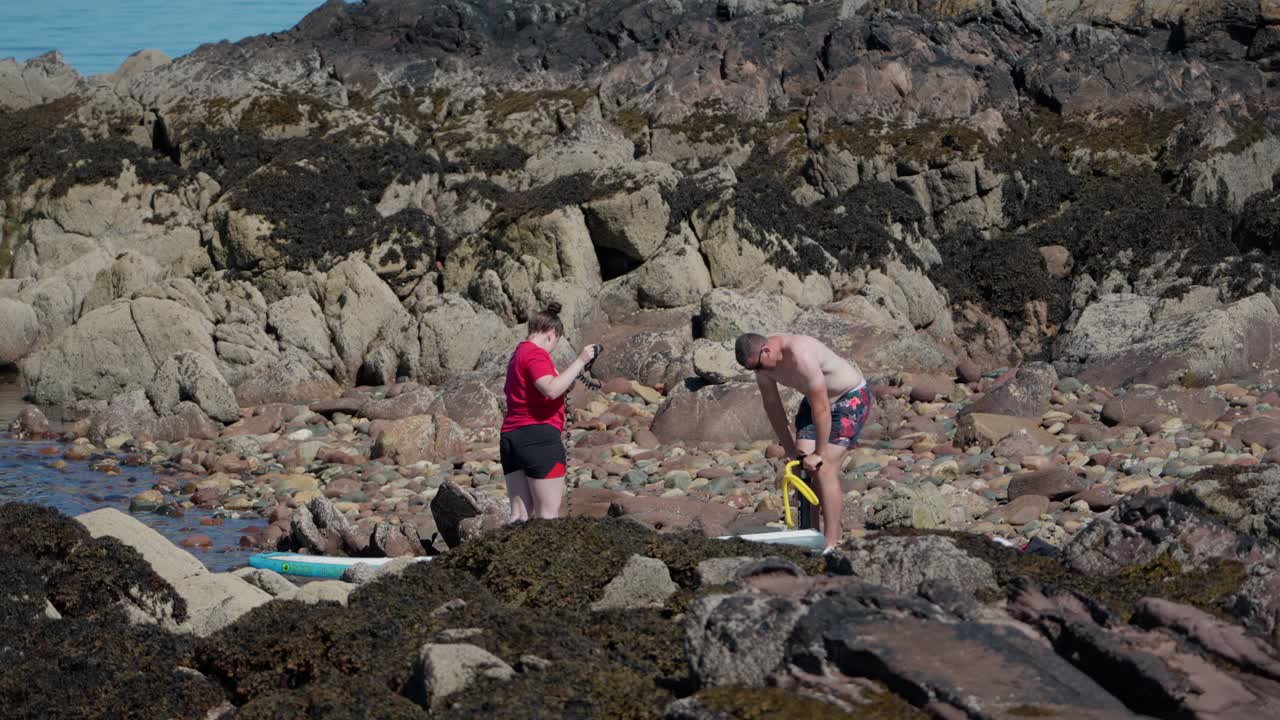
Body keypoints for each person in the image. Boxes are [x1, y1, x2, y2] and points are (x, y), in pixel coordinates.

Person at [735, 332, 872, 550]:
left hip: (849, 399)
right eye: (753, 369)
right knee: (800, 465)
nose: (758, 372)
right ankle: (810, 533)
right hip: (816, 401)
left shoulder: (801, 354)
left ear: (766, 350)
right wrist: (788, 447)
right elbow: (772, 405)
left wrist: (819, 453)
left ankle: (831, 542)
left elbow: (822, 408)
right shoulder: (762, 365)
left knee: (824, 467)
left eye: (758, 366)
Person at [501, 302, 600, 521]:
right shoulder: (536, 355)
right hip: (538, 439)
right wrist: (582, 360)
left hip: (511, 438)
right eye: (554, 344)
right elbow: (552, 389)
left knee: (519, 515)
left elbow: (549, 386)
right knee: (548, 515)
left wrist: (572, 376)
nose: (551, 350)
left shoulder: (518, 355)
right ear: (551, 335)